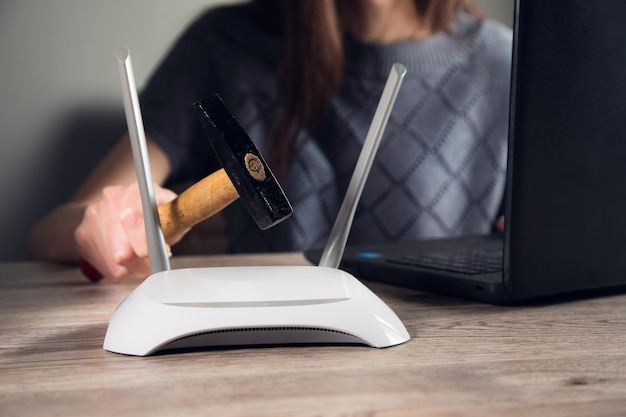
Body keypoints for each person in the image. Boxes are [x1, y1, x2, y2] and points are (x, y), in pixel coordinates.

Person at [27, 0, 513, 282]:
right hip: (266, 364)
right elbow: (50, 230)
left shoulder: (510, 63)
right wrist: (104, 227)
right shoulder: (222, 45)